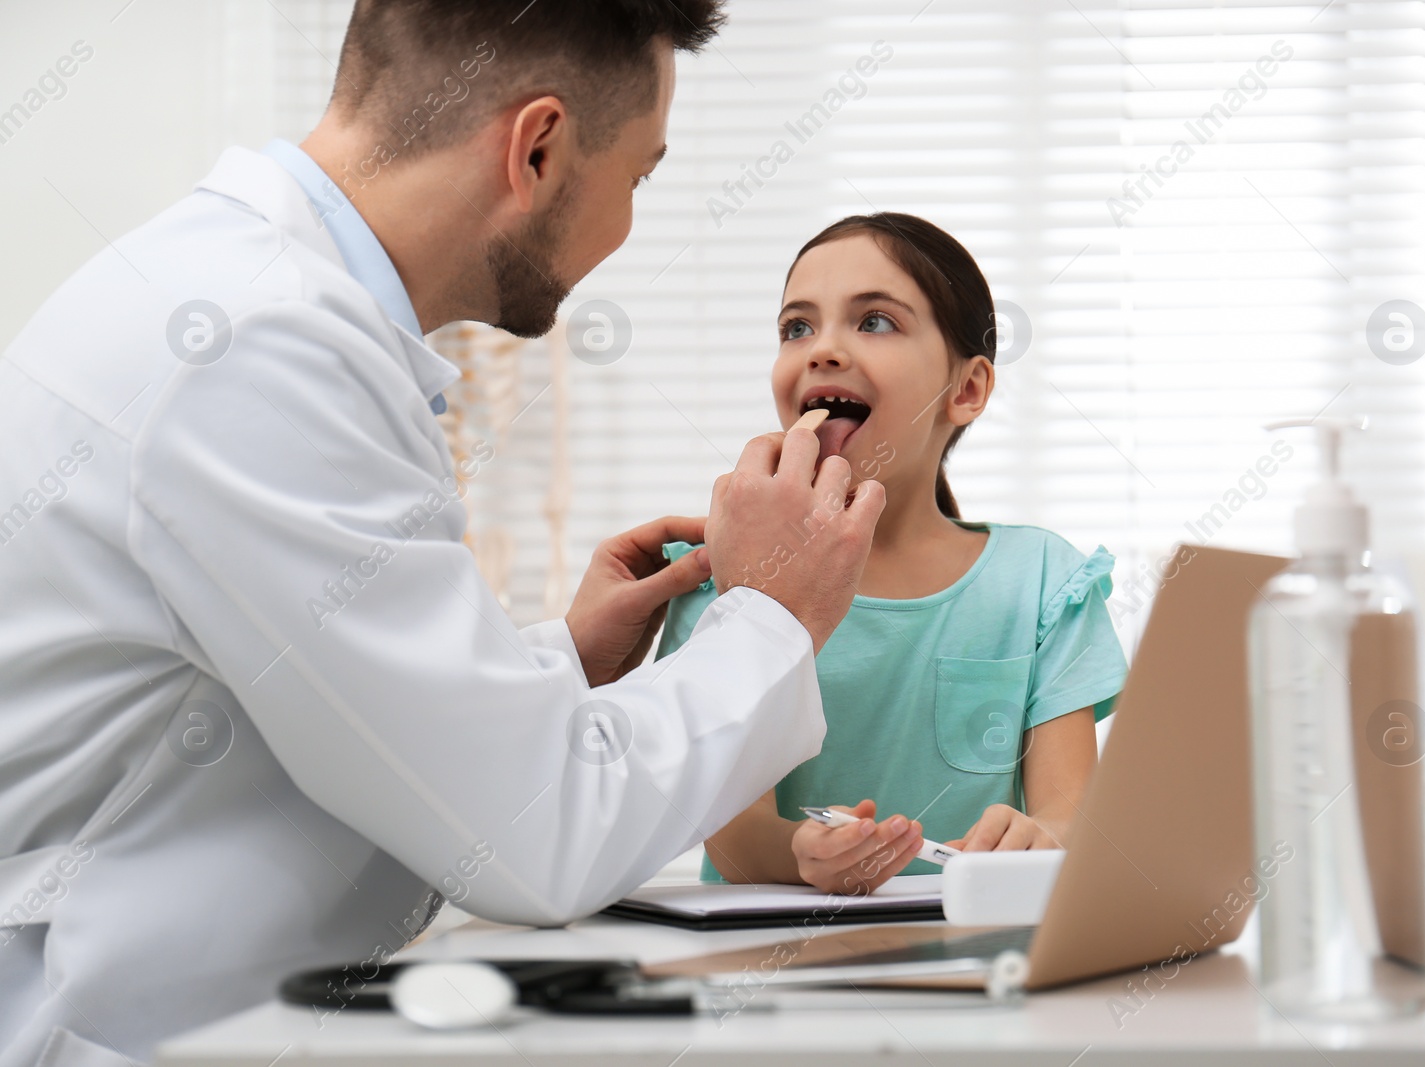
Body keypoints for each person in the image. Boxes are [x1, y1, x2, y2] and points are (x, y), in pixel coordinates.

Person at [0, 3, 886, 1064]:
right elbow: (531, 839)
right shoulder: (254, 346)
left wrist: (559, 662)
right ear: (539, 147)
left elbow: (317, 702)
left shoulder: (238, 296)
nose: (630, 224)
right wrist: (771, 610)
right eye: (640, 177)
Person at [656, 214, 1129, 893]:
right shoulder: (718, 574)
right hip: (769, 971)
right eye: (797, 327)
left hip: (972, 962)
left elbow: (1069, 814)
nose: (822, 350)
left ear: (965, 390)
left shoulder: (1044, 583)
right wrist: (799, 851)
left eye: (874, 321)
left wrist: (1043, 837)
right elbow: (731, 834)